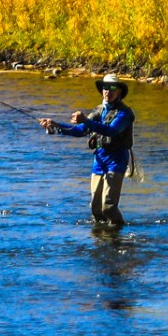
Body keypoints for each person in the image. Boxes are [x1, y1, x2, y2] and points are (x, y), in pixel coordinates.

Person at [42, 78, 136, 227]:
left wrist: (85, 120)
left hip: (116, 161)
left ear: (119, 92)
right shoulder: (99, 110)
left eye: (112, 88)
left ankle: (119, 233)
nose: (108, 91)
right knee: (96, 209)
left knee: (109, 207)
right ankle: (102, 237)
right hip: (99, 160)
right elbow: (80, 130)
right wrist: (56, 125)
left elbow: (111, 131)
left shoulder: (125, 113)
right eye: (105, 87)